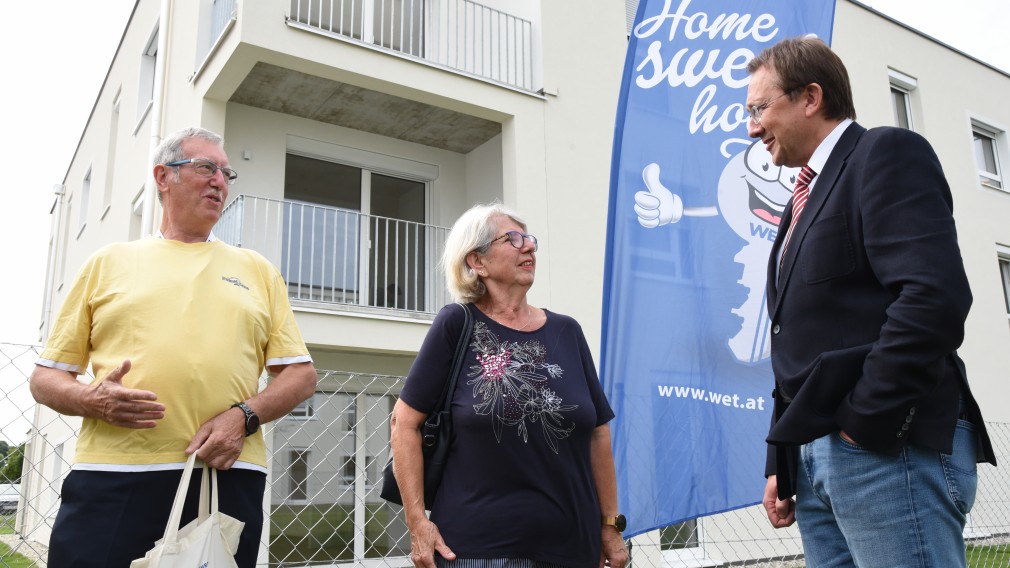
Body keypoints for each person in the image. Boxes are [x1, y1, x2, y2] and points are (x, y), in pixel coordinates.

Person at [747, 37, 997, 567]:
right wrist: (783, 457)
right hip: (817, 458)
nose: (751, 127)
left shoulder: (885, 152)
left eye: (759, 108)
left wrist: (864, 424)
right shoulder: (800, 203)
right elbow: (797, 338)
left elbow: (934, 297)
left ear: (810, 97)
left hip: (886, 446)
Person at [29, 127, 317, 567]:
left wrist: (243, 418)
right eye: (206, 168)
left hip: (222, 472)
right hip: (113, 473)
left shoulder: (257, 270)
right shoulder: (107, 263)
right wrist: (90, 399)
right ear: (164, 177)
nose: (219, 181)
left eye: (226, 172)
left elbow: (300, 375)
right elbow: (45, 377)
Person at [390, 203, 629, 568]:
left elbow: (598, 433)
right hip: (478, 551)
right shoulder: (457, 324)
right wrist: (417, 522)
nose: (529, 247)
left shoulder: (567, 331)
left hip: (573, 548)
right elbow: (403, 424)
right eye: (513, 239)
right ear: (477, 262)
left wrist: (610, 526)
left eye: (529, 239)